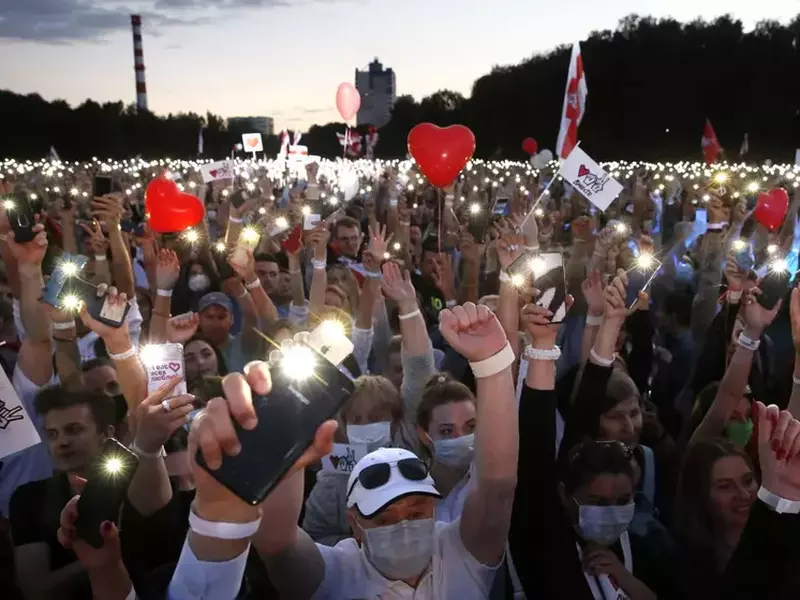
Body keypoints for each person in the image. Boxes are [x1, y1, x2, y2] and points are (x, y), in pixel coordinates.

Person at [166, 300, 517, 599]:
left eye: (416, 511)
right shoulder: (337, 573)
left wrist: (492, 363)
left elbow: (496, 489)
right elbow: (278, 543)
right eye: (383, 519)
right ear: (355, 524)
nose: (404, 526)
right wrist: (282, 423)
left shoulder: (460, 552)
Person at [10, 387, 115, 600]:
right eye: (53, 434)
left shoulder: (135, 488)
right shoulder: (29, 498)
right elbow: (37, 591)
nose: (62, 442)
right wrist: (100, 558)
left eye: (74, 429)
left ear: (106, 435)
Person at [673, 439, 757, 598]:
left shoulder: (783, 539)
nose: (744, 495)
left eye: (748, 481)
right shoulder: (687, 562)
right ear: (700, 495)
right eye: (725, 486)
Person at [416, 374, 477, 522]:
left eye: (470, 427)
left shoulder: (489, 486)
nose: (460, 437)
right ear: (424, 436)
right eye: (447, 431)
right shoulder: (413, 496)